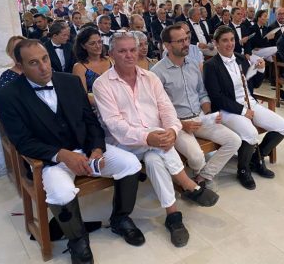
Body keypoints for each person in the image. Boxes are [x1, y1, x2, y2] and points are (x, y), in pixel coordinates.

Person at [0, 39, 144, 264]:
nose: (44, 67)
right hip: (50, 162)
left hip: (85, 149)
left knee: (131, 164)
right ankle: (77, 239)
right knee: (61, 192)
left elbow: (91, 121)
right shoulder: (7, 96)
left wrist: (96, 149)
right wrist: (61, 156)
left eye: (45, 59)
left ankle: (120, 218)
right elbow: (22, 142)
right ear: (20, 67)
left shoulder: (70, 82)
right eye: (34, 63)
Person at [93, 32, 219, 248]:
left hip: (156, 141)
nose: (129, 55)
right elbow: (115, 125)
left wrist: (171, 129)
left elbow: (166, 108)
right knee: (155, 141)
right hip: (124, 145)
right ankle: (188, 184)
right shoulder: (102, 84)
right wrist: (148, 136)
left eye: (132, 49)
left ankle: (173, 216)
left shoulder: (149, 77)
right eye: (122, 51)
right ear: (111, 53)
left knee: (153, 158)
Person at [152, 25, 240, 188]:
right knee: (197, 157)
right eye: (180, 41)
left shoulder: (192, 64)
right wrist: (182, 124)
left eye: (186, 38)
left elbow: (202, 93)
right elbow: (156, 109)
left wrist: (208, 114)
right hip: (176, 125)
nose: (186, 43)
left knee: (234, 140)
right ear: (167, 45)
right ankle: (197, 176)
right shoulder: (157, 72)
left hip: (199, 117)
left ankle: (203, 176)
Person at [203, 26, 284, 189]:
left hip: (250, 103)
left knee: (283, 127)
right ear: (216, 43)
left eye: (232, 40)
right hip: (227, 110)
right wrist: (243, 111)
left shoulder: (241, 58)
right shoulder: (211, 66)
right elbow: (217, 97)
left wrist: (261, 68)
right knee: (250, 132)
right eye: (224, 40)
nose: (230, 44)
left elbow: (253, 84)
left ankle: (257, 158)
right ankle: (243, 170)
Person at [72, 27, 113, 105]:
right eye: (92, 43)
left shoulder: (111, 60)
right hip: (94, 108)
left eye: (99, 42)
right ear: (83, 46)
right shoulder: (79, 67)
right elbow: (83, 96)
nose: (98, 46)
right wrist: (108, 103)